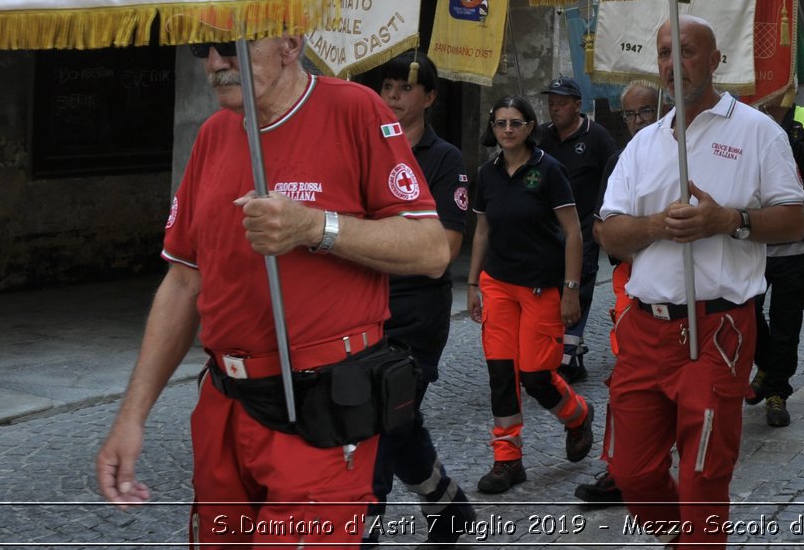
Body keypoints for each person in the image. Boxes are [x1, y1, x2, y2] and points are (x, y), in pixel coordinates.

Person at [95, 35, 450, 545]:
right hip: (225, 404)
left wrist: (316, 228)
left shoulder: (353, 108)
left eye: (227, 44)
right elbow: (181, 282)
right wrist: (132, 417)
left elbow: (431, 248)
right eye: (201, 49)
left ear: (288, 42)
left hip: (320, 408)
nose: (214, 62)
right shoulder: (214, 135)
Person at [596, 15, 804, 546]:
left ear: (715, 61)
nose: (672, 64)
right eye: (664, 52)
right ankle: (683, 539)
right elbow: (610, 232)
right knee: (631, 471)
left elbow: (795, 220)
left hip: (717, 328)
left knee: (703, 476)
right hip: (646, 329)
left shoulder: (759, 132)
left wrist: (727, 221)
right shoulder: (643, 143)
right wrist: (655, 226)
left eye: (685, 51)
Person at [366, 50, 475, 546]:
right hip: (362, 309)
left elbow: (442, 252)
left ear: (429, 98)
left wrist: (363, 242)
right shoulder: (363, 147)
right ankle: (450, 508)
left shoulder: (445, 159)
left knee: (374, 433)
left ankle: (360, 535)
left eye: (405, 88)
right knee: (398, 420)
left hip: (413, 320)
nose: (393, 96)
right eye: (387, 87)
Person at [467, 95, 595, 494]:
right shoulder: (486, 174)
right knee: (501, 373)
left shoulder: (549, 170)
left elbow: (574, 232)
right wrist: (473, 284)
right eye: (501, 122)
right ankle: (507, 460)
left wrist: (571, 290)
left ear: (529, 126)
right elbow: (482, 232)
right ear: (493, 127)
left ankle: (577, 415)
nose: (508, 129)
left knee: (538, 375)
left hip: (542, 286)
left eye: (516, 122)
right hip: (498, 285)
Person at [573, 79, 667, 509]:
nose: (635, 122)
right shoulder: (619, 159)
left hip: (682, 283)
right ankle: (618, 467)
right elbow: (600, 226)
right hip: (630, 278)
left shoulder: (681, 155)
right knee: (626, 373)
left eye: (644, 112)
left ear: (662, 108)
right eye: (628, 114)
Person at [749, 89, 804, 427]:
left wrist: (773, 128)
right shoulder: (745, 120)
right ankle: (767, 366)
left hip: (798, 241)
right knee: (746, 313)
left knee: (787, 324)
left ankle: (777, 393)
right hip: (752, 240)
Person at [537, 76, 619, 384]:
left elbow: (613, 173)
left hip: (582, 229)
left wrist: (602, 216)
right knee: (551, 291)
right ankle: (571, 355)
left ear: (577, 105)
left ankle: (566, 357)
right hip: (548, 230)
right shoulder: (543, 136)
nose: (554, 110)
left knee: (576, 292)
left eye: (560, 104)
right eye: (551, 104)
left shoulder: (597, 137)